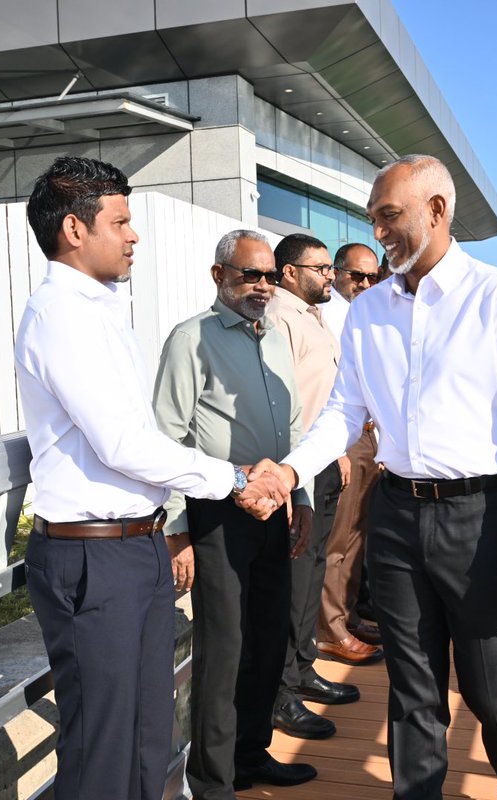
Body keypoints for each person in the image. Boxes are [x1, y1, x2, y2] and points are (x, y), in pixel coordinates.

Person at [254, 154, 497, 800]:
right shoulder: (369, 314)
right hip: (396, 517)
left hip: (485, 519)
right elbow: (343, 411)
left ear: (437, 211)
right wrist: (289, 470)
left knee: (492, 686)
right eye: (373, 220)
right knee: (412, 686)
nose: (379, 233)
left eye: (389, 217)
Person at [13, 157, 287, 800]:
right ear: (75, 231)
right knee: (104, 750)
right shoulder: (61, 315)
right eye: (121, 221)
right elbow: (123, 444)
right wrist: (232, 478)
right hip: (91, 553)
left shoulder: (101, 308)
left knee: (146, 736)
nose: (134, 235)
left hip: (131, 545)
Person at [152, 229, 316, 797]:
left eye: (270, 276)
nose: (262, 286)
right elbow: (166, 439)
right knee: (224, 652)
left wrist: (302, 499)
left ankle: (250, 757)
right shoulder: (190, 339)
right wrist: (175, 530)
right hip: (217, 513)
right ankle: (213, 780)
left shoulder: (274, 338)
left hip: (274, 508)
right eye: (250, 274)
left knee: (269, 640)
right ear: (219, 275)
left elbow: (292, 428)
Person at [265, 233, 373, 743]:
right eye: (321, 268)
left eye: (332, 269)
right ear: (289, 272)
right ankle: (282, 691)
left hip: (323, 460)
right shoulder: (280, 319)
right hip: (300, 467)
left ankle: (303, 669)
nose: (332, 276)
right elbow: (288, 403)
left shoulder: (313, 317)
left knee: (311, 573)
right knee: (297, 576)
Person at [318, 242, 387, 661]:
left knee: (360, 532)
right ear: (337, 273)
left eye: (372, 277)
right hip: (342, 437)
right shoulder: (325, 316)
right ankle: (330, 627)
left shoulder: (365, 315)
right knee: (338, 537)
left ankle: (347, 614)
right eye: (355, 276)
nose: (364, 284)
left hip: (368, 435)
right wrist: (339, 449)